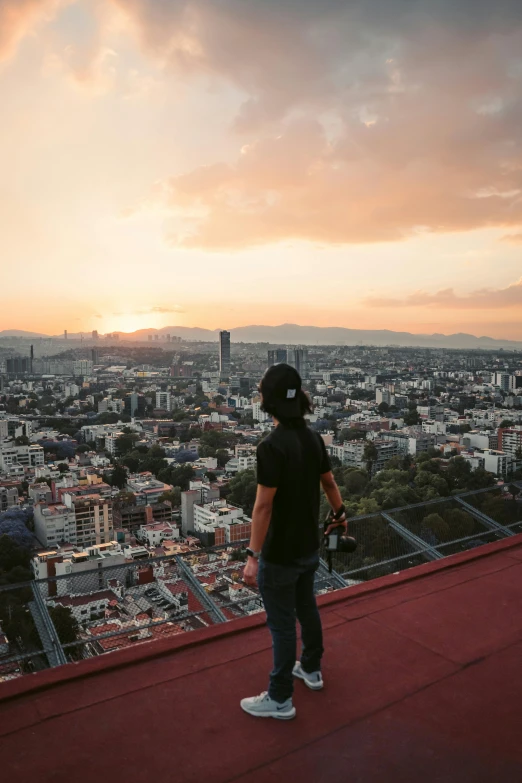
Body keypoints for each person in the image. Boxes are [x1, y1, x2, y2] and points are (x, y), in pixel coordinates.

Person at [240, 363, 347, 720]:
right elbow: (330, 484)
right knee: (307, 609)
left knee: (283, 626)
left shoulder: (271, 446)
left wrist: (253, 555)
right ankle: (311, 670)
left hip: (281, 552)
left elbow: (263, 505)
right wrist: (340, 514)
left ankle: (280, 697)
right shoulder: (313, 437)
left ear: (267, 402)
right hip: (308, 548)